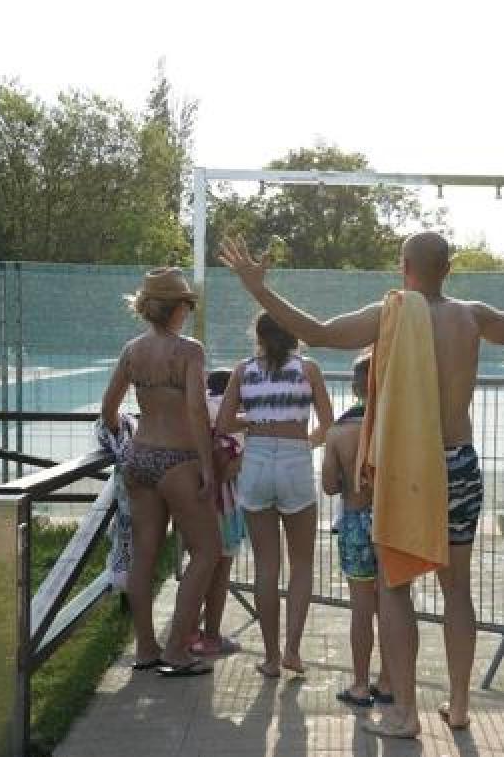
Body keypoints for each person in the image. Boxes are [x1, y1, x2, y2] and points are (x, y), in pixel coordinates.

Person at [219, 230, 504, 736]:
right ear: (448, 269)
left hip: (409, 469)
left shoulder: (389, 314)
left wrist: (259, 289)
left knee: (394, 589)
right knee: (457, 590)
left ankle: (404, 713)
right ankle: (459, 706)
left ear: (402, 266)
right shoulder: (472, 316)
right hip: (459, 462)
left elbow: (317, 332)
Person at [99, 266, 221, 677]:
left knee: (144, 556)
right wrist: (207, 465)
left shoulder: (132, 350)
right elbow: (196, 410)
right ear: (179, 308)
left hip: (140, 458)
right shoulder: (189, 351)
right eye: (187, 304)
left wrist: (124, 436)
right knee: (207, 551)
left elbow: (109, 408)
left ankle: (146, 648)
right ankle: (177, 650)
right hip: (178, 460)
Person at [215, 312, 334, 678]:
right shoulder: (308, 369)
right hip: (295, 459)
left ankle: (270, 657)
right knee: (301, 565)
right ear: (294, 333)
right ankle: (293, 652)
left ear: (259, 336)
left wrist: (254, 419)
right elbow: (328, 424)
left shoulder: (243, 371)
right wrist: (305, 444)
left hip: (257, 460)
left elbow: (223, 423)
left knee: (266, 567)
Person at [322, 355, 392, 709]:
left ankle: (361, 685)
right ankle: (390, 680)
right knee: (394, 604)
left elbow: (328, 487)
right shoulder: (393, 427)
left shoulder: (338, 432)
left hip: (354, 521)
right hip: (391, 522)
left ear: (354, 388)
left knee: (361, 608)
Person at [187, 368, 246, 656]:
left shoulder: (196, 412)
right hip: (223, 503)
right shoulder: (234, 417)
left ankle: (187, 632)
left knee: (197, 566)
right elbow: (227, 464)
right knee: (220, 570)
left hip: (190, 499)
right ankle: (211, 636)